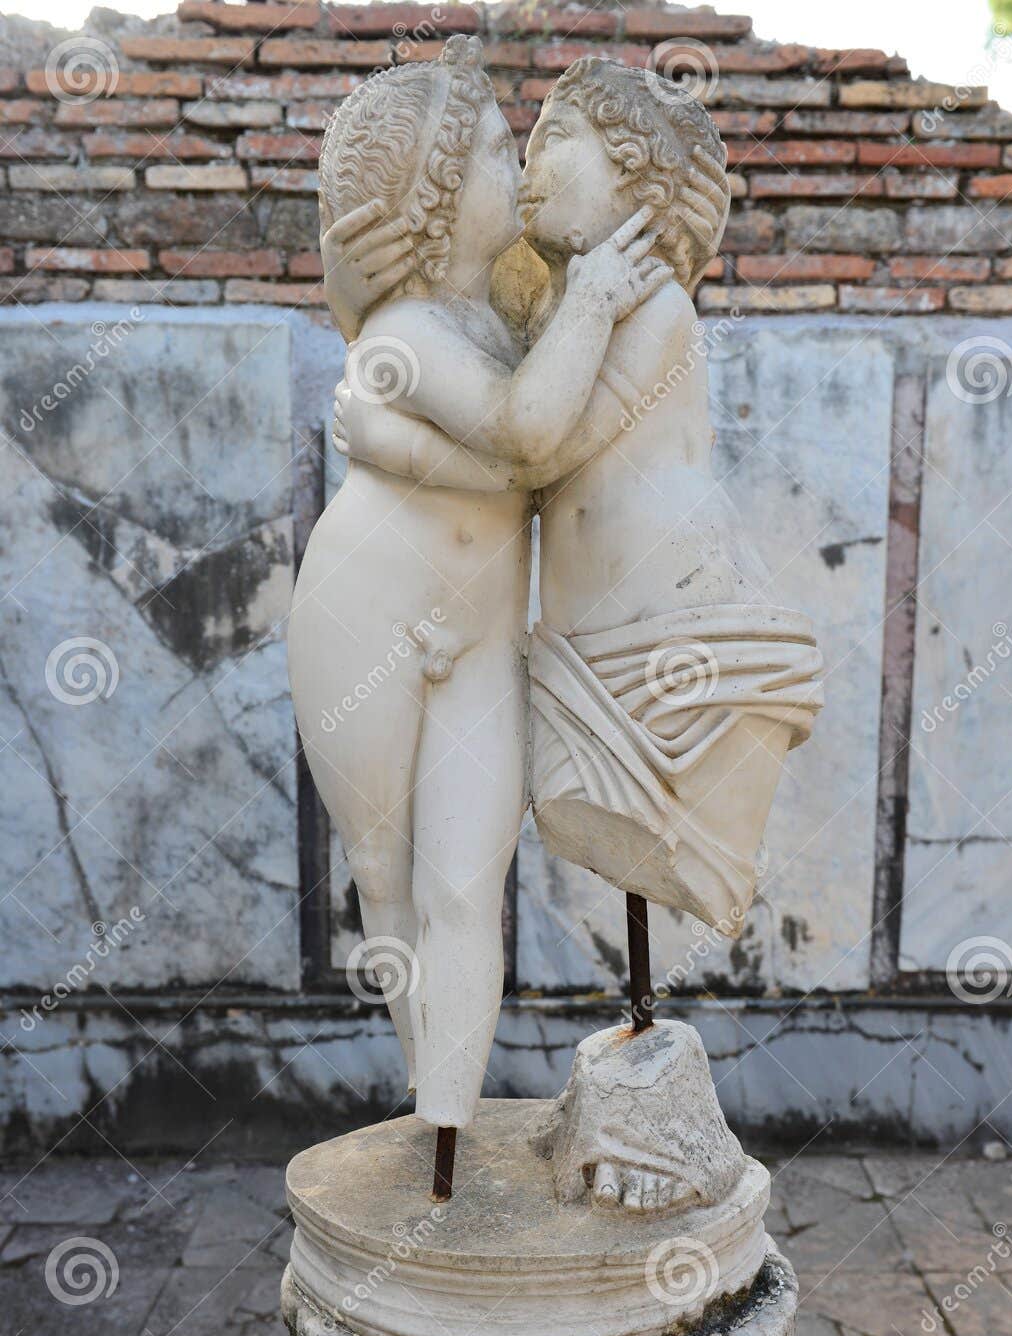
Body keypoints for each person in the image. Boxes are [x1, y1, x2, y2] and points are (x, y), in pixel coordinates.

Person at [289, 38, 671, 1155]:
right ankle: (429, 1116)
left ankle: (451, 1117)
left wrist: (408, 450)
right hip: (368, 618)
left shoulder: (506, 327)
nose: (523, 172)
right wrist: (593, 303)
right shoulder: (405, 333)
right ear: (440, 195)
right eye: (504, 152)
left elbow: (539, 450)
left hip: (483, 635)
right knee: (384, 874)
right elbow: (527, 432)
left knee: (466, 880)